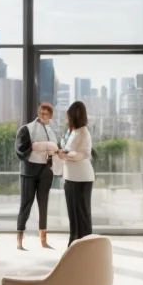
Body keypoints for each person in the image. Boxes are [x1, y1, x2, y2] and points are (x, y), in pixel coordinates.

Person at [14, 102, 59, 250]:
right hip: (29, 171)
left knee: (43, 204)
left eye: (46, 114)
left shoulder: (51, 130)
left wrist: (49, 150)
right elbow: (20, 148)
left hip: (46, 171)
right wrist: (36, 147)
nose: (42, 116)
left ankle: (43, 240)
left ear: (50, 116)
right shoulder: (27, 128)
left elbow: (54, 148)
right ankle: (19, 240)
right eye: (41, 112)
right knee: (26, 204)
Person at [57, 101, 95, 246]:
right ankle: (73, 245)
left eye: (69, 116)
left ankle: (86, 248)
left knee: (82, 215)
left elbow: (83, 154)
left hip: (82, 177)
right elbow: (70, 150)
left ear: (75, 116)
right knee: (73, 215)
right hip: (70, 177)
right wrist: (63, 152)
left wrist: (65, 155)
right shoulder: (73, 132)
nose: (67, 119)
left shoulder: (84, 132)